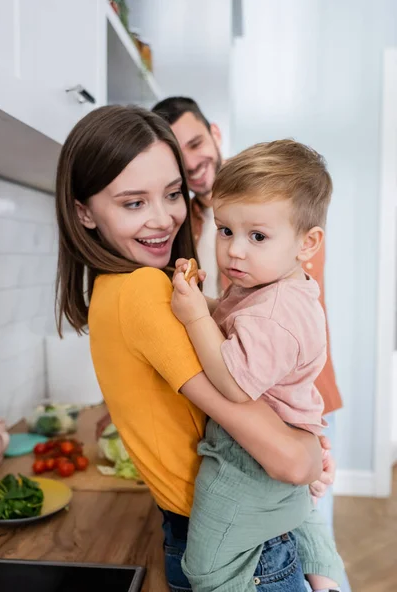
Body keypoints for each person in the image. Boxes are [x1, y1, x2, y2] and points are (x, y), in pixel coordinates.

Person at [55, 105, 330, 592]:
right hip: (243, 542)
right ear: (83, 212)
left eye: (172, 194)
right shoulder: (142, 291)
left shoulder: (115, 289)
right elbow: (289, 460)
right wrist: (309, 451)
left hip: (227, 522)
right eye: (133, 202)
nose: (163, 218)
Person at [153, 97, 349, 591]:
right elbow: (238, 318)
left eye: (255, 236)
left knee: (206, 564)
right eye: (225, 231)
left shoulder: (280, 286)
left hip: (261, 442)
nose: (234, 250)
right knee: (302, 513)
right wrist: (208, 302)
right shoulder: (256, 255)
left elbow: (236, 384)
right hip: (284, 423)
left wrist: (196, 312)